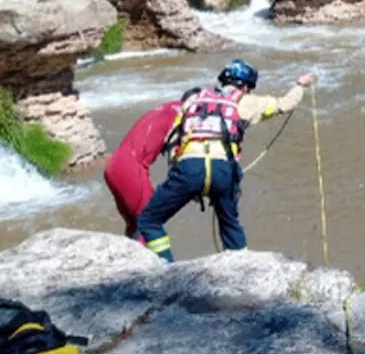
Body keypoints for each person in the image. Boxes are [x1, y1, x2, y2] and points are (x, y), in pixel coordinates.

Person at [136, 60, 315, 263]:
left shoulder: (194, 99)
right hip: (224, 170)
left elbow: (173, 139)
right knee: (230, 224)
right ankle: (243, 267)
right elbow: (285, 104)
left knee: (149, 220)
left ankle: (166, 268)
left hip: (189, 168)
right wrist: (300, 85)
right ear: (245, 86)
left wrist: (183, 175)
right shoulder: (247, 101)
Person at [103, 88, 201, 241]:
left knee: (135, 226)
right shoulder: (181, 115)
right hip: (131, 168)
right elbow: (179, 157)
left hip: (113, 166)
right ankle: (154, 264)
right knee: (150, 225)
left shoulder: (166, 109)